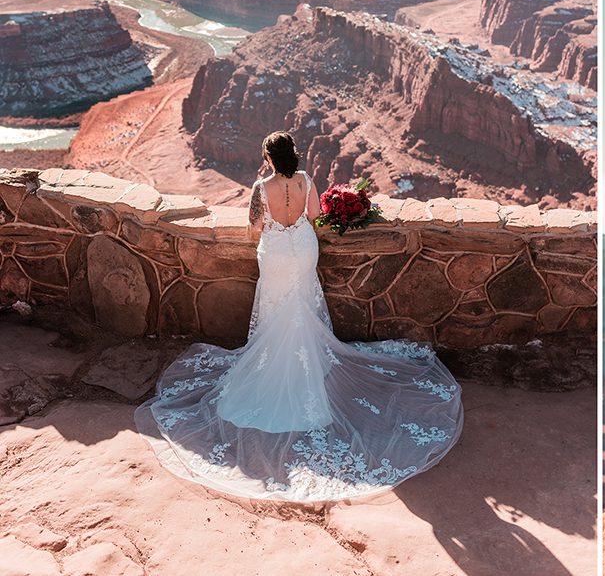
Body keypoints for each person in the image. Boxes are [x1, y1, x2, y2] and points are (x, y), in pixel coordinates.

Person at [135, 131, 463, 502]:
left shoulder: (262, 186)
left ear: (269, 158)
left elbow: (255, 227)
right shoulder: (306, 180)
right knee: (302, 305)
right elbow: (314, 215)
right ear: (292, 154)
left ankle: (275, 365)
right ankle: (309, 365)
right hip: (304, 250)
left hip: (274, 253)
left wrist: (271, 221)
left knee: (277, 307)